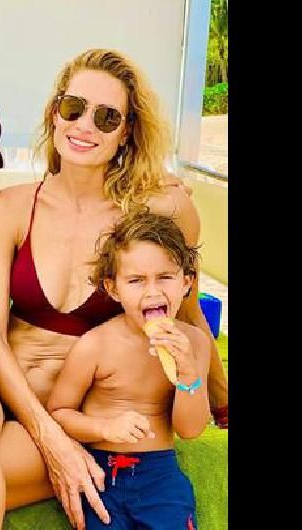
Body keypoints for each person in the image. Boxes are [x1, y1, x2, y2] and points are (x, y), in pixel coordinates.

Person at [0, 48, 227, 530]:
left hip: (81, 414)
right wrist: (49, 438)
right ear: (55, 112)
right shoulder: (10, 208)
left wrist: (221, 398)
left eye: (106, 118)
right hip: (1, 399)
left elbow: (186, 312)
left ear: (127, 131)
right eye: (73, 108)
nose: (85, 126)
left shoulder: (160, 211)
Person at [47, 211, 209, 529]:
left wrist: (188, 373)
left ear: (186, 282)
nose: (152, 292)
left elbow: (190, 430)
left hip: (160, 474)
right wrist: (104, 428)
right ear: (113, 288)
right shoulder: (96, 345)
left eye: (165, 277)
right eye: (136, 281)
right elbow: (59, 412)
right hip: (102, 471)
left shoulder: (195, 343)